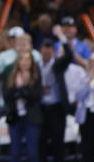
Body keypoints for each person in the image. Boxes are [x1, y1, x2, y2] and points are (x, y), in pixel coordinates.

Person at [39, 33, 74, 162]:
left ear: (53, 50)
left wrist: (62, 38)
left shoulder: (58, 64)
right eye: (44, 47)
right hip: (41, 109)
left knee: (58, 144)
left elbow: (69, 55)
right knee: (41, 144)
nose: (47, 50)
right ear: (40, 50)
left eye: (50, 48)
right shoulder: (36, 66)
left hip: (57, 109)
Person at [4, 50, 42, 162]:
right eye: (21, 59)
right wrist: (20, 90)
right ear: (18, 62)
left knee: (32, 154)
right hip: (15, 118)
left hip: (32, 118)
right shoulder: (11, 76)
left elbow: (36, 96)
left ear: (31, 62)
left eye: (27, 59)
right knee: (15, 154)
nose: (24, 62)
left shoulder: (36, 76)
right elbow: (7, 96)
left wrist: (23, 86)